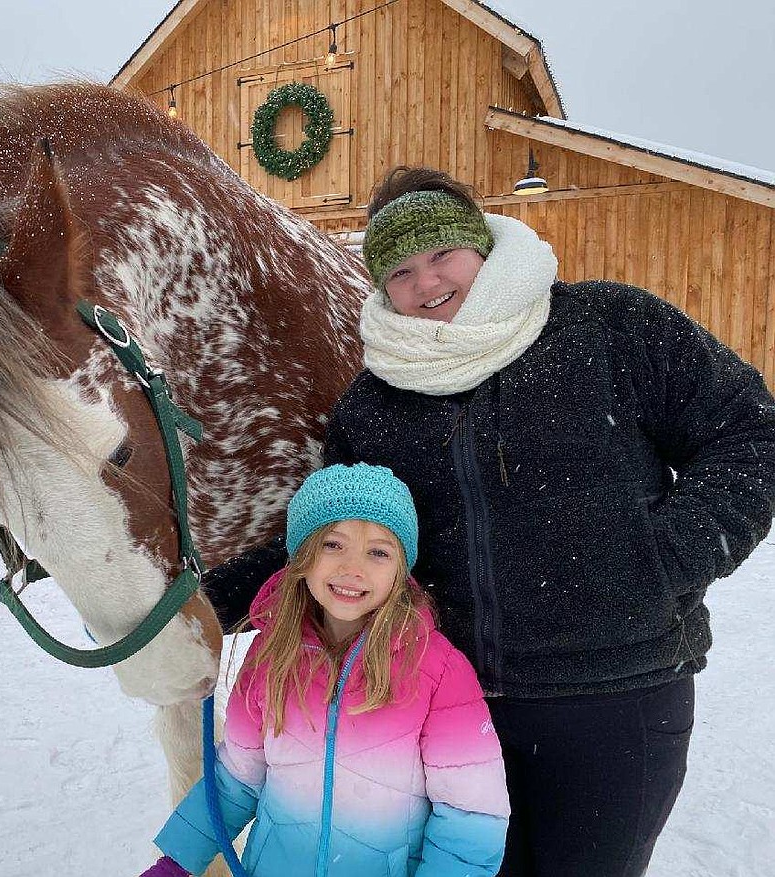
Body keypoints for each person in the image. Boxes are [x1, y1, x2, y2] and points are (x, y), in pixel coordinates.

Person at [201, 167, 775, 876]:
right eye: (401, 271)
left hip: (618, 700)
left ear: (482, 246)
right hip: (448, 706)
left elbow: (749, 431)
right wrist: (206, 599)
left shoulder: (611, 328)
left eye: (442, 254)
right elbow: (336, 545)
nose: (426, 282)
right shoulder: (375, 403)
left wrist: (666, 562)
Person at [140, 463, 510, 877]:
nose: (353, 568)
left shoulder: (438, 672)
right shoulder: (270, 658)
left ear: (401, 570)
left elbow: (470, 817)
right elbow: (235, 784)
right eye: (333, 545)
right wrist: (176, 863)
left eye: (379, 552)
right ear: (302, 557)